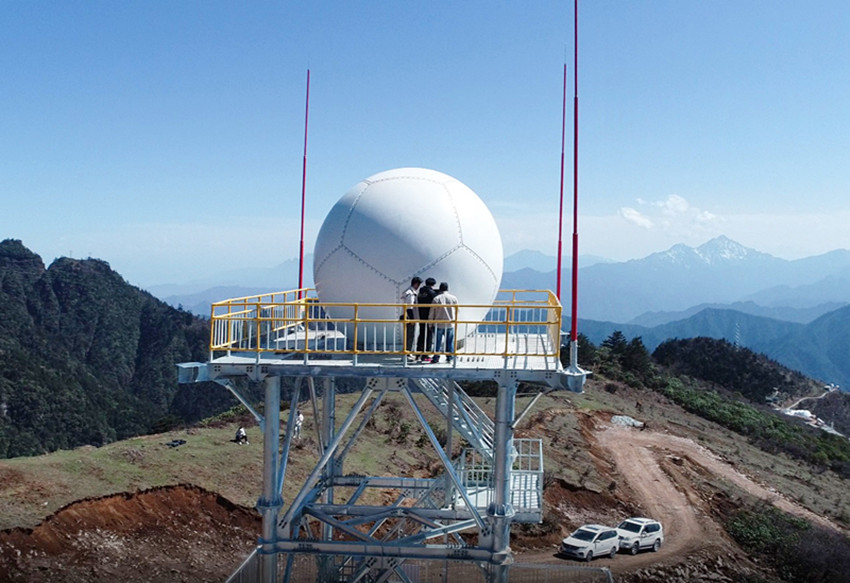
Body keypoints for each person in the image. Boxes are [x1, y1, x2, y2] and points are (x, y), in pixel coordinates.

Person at [430, 282, 458, 363]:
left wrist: (430, 323)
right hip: (450, 323)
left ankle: (436, 357)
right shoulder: (453, 298)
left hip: (438, 324)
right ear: (447, 289)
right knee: (449, 342)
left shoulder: (436, 299)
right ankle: (450, 357)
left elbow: (432, 312)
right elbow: (457, 310)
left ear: (440, 289)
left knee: (437, 342)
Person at [400, 276, 422, 362]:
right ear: (415, 284)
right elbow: (410, 307)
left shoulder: (408, 291)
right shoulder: (410, 293)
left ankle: (406, 353)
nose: (418, 286)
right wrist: (412, 319)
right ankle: (407, 354)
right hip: (409, 317)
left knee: (408, 336)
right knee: (410, 336)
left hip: (407, 317)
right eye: (418, 284)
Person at [416, 277, 438, 361]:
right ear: (433, 285)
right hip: (429, 317)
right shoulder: (432, 293)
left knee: (421, 334)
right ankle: (426, 355)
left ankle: (418, 353)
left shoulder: (420, 292)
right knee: (428, 336)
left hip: (421, 316)